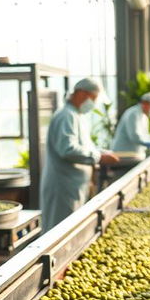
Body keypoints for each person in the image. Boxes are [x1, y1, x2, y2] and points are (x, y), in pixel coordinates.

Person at [40, 78, 119, 232]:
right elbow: (68, 150)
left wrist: (101, 152)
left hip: (74, 186)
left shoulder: (77, 116)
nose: (93, 104)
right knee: (59, 232)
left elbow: (85, 146)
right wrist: (99, 158)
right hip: (63, 186)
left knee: (69, 230)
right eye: (93, 99)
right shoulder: (66, 116)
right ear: (82, 94)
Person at [111, 92, 150, 160]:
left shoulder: (144, 116)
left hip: (134, 154)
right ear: (146, 103)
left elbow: (146, 135)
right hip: (123, 154)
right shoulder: (133, 114)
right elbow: (134, 136)